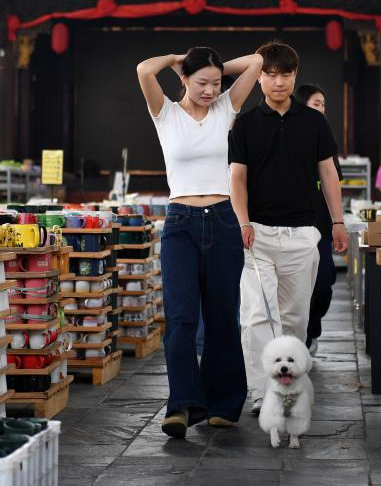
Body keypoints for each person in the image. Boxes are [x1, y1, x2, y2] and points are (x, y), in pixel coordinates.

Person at [137, 47, 263, 439]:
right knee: (181, 318)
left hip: (223, 221)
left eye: (216, 83)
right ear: (184, 80)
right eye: (201, 83)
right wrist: (177, 57)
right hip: (180, 225)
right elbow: (144, 66)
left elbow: (257, 62)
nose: (210, 90)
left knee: (224, 316)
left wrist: (214, 67)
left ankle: (224, 404)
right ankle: (182, 405)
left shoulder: (227, 107)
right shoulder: (166, 113)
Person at [229, 42, 348, 415]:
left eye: (285, 74)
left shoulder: (313, 122)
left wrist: (337, 221)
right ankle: (261, 393)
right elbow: (237, 178)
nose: (278, 81)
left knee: (295, 317)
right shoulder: (245, 124)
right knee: (256, 316)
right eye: (270, 73)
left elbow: (328, 173)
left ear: (294, 76)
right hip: (257, 235)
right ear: (259, 77)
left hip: (302, 233)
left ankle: (289, 390)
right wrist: (242, 220)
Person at [293, 83, 341, 356]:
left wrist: (338, 222)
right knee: (295, 288)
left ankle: (312, 329)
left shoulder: (325, 138)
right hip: (292, 226)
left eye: (323, 104)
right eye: (316, 103)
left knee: (323, 282)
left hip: (321, 229)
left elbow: (334, 183)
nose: (321, 108)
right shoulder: (286, 135)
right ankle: (297, 337)